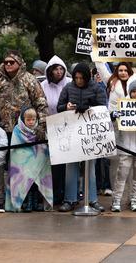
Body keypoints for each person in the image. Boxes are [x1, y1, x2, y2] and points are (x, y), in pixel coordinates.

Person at [57, 63, 107, 212]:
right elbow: (59, 107)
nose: (78, 81)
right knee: (71, 167)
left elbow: (102, 108)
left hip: (90, 134)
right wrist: (66, 107)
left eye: (81, 78)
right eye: (76, 78)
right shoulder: (68, 88)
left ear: (87, 77)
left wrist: (90, 108)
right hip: (72, 132)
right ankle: (70, 199)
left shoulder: (97, 88)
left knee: (90, 168)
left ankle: (92, 199)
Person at [0, 50, 48, 142]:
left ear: (19, 63)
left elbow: (41, 103)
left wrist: (42, 126)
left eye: (12, 62)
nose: (8, 64)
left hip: (24, 130)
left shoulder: (30, 80)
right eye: (6, 62)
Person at [110, 80, 136, 212]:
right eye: (133, 91)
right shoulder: (122, 104)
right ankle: (117, 199)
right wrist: (115, 116)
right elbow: (116, 126)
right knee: (122, 174)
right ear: (130, 92)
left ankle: (135, 199)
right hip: (126, 145)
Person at [6, 107, 53, 212]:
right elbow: (15, 151)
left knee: (36, 182)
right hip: (23, 164)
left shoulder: (40, 130)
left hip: (38, 161)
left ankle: (35, 203)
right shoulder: (17, 130)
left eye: (33, 119)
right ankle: (28, 202)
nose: (31, 122)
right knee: (26, 180)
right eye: (28, 120)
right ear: (23, 119)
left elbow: (44, 146)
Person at [41, 55, 71, 205]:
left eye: (61, 69)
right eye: (55, 69)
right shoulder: (43, 85)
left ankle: (67, 194)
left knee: (67, 164)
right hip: (50, 128)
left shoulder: (70, 83)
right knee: (53, 164)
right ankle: (53, 193)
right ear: (50, 71)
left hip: (68, 128)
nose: (58, 72)